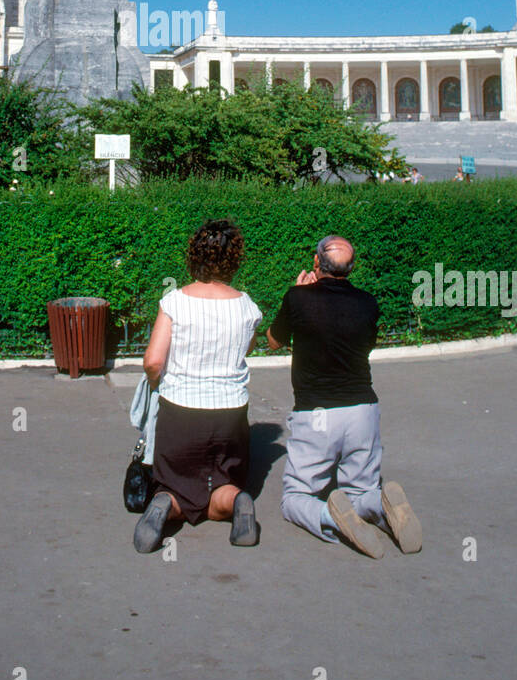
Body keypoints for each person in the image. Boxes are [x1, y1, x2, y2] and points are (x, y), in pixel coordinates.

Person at [267, 235, 421, 560]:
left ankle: (330, 516)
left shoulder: (298, 298)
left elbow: (274, 341)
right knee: (361, 488)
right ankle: (377, 503)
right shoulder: (368, 303)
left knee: (295, 496)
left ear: (315, 262)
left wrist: (299, 293)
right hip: (363, 409)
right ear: (351, 269)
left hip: (316, 412)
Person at [134, 219, 263, 553]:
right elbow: (244, 350)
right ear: (235, 260)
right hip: (230, 413)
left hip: (181, 411)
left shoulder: (175, 302)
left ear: (194, 256)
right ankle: (237, 502)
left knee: (174, 484)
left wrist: (154, 384)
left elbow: (153, 361)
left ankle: (165, 502)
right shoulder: (247, 307)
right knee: (225, 482)